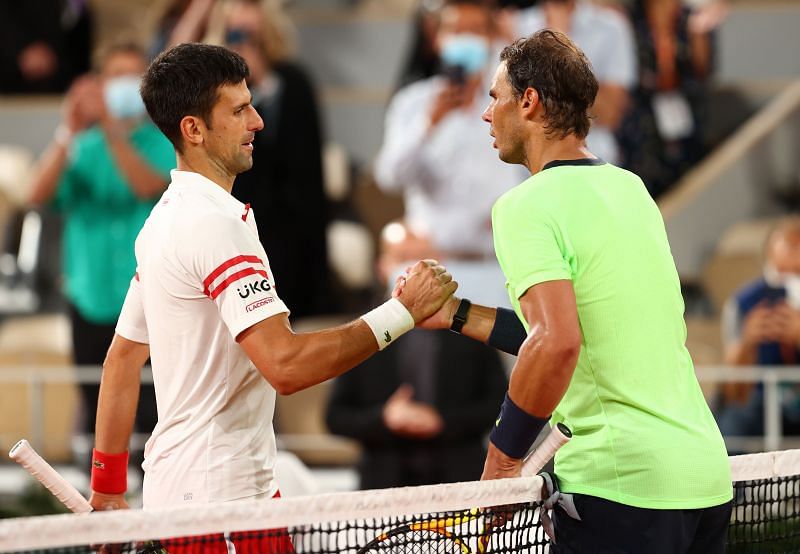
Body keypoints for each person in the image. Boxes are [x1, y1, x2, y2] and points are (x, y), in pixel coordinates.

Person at [87, 43, 455, 552]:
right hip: (222, 506)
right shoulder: (212, 226)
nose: (257, 121)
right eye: (238, 111)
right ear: (193, 130)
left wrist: (107, 489)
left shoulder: (165, 220)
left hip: (207, 496)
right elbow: (285, 365)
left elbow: (122, 361)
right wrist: (402, 312)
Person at [407, 29, 732, 552]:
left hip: (621, 489)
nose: (487, 114)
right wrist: (456, 314)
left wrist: (500, 467)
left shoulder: (524, 206)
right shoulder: (631, 189)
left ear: (529, 102)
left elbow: (556, 342)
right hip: (704, 481)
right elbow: (571, 332)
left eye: (495, 97)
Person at [27, 42, 173, 470]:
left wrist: (110, 127)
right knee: (97, 408)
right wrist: (68, 130)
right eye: (115, 76)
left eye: (133, 75)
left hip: (148, 297)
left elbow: (147, 184)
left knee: (151, 413)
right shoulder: (84, 145)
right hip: (88, 293)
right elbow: (38, 194)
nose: (123, 85)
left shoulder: (165, 140)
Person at [374, 0, 527, 308]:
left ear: (491, 40)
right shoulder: (412, 103)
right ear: (438, 38)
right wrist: (429, 123)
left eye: (476, 31)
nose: (466, 39)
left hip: (499, 268)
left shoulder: (515, 107)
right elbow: (389, 176)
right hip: (432, 269)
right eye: (457, 30)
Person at [222, 0, 332, 318]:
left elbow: (304, 165)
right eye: (235, 35)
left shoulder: (294, 82)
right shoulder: (214, 91)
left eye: (251, 36)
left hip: (286, 225)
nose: (243, 45)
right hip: (234, 217)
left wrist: (262, 85)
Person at [325, 329, 507, 489]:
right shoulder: (364, 337)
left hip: (462, 483)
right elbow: (335, 417)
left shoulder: (472, 335)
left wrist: (444, 421)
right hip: (382, 487)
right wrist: (383, 418)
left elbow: (501, 407)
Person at [515, 0, 636, 166]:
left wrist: (556, 47)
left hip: (595, 161)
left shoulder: (611, 26)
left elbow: (609, 113)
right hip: (529, 170)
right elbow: (514, 111)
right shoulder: (514, 27)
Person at [616, 0, 715, 198]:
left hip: (685, 116)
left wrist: (698, 39)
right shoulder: (627, 19)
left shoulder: (693, 19)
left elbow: (704, 73)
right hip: (642, 124)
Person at [717, 218, 800, 439]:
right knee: (733, 425)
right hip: (762, 404)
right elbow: (733, 391)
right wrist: (748, 343)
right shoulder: (744, 303)